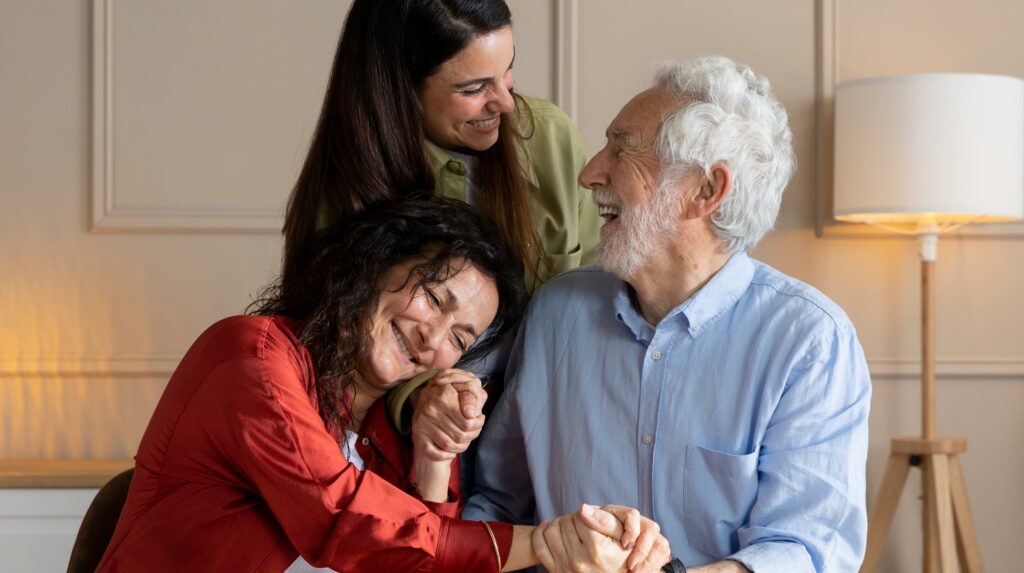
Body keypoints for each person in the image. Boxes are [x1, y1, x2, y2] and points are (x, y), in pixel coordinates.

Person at [452, 57, 873, 573]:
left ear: (705, 191)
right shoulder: (557, 312)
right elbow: (495, 505)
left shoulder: (809, 341)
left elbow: (805, 550)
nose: (589, 173)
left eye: (621, 149)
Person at [95, 199, 668, 572]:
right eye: (434, 298)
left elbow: (420, 561)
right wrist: (549, 543)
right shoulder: (253, 359)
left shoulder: (376, 429)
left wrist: (435, 455)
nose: (433, 337)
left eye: (460, 338)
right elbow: (341, 518)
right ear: (375, 266)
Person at [282, 0, 599, 293]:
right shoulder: (344, 185)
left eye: (508, 70)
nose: (506, 103)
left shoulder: (552, 137)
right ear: (399, 91)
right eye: (474, 89)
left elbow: (598, 295)